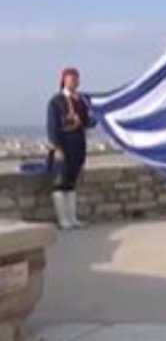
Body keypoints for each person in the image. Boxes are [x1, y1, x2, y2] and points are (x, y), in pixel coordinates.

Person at [45, 67, 96, 230]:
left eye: (76, 78)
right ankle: (63, 220)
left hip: (78, 145)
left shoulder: (82, 101)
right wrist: (57, 147)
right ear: (64, 81)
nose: (74, 81)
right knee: (60, 182)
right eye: (71, 78)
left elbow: (87, 122)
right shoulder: (56, 101)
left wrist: (97, 118)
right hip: (63, 144)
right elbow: (52, 126)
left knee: (71, 182)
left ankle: (73, 219)